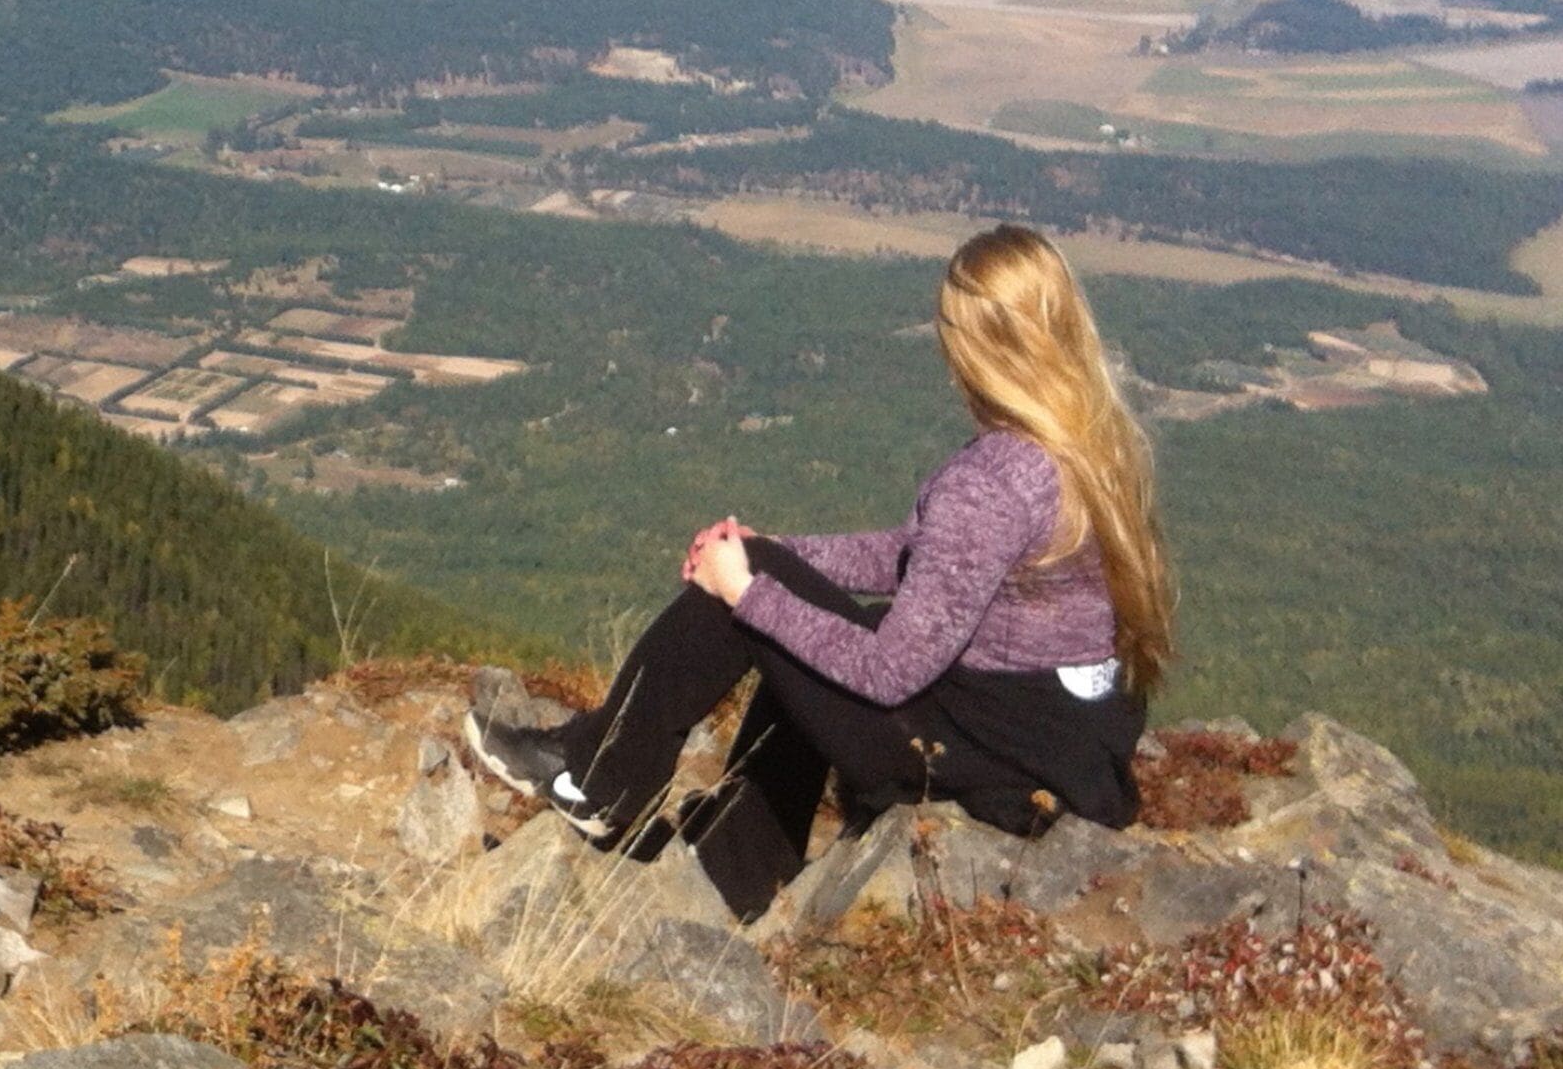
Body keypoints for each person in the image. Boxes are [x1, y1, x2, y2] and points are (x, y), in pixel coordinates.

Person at [463, 222, 1171, 920]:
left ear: (968, 345)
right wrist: (779, 552)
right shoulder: (1089, 447)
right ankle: (739, 868)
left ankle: (598, 775)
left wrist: (743, 589)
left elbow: (888, 672)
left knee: (769, 615)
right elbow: (924, 558)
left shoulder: (989, 482)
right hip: (1061, 746)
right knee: (795, 620)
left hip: (996, 763)